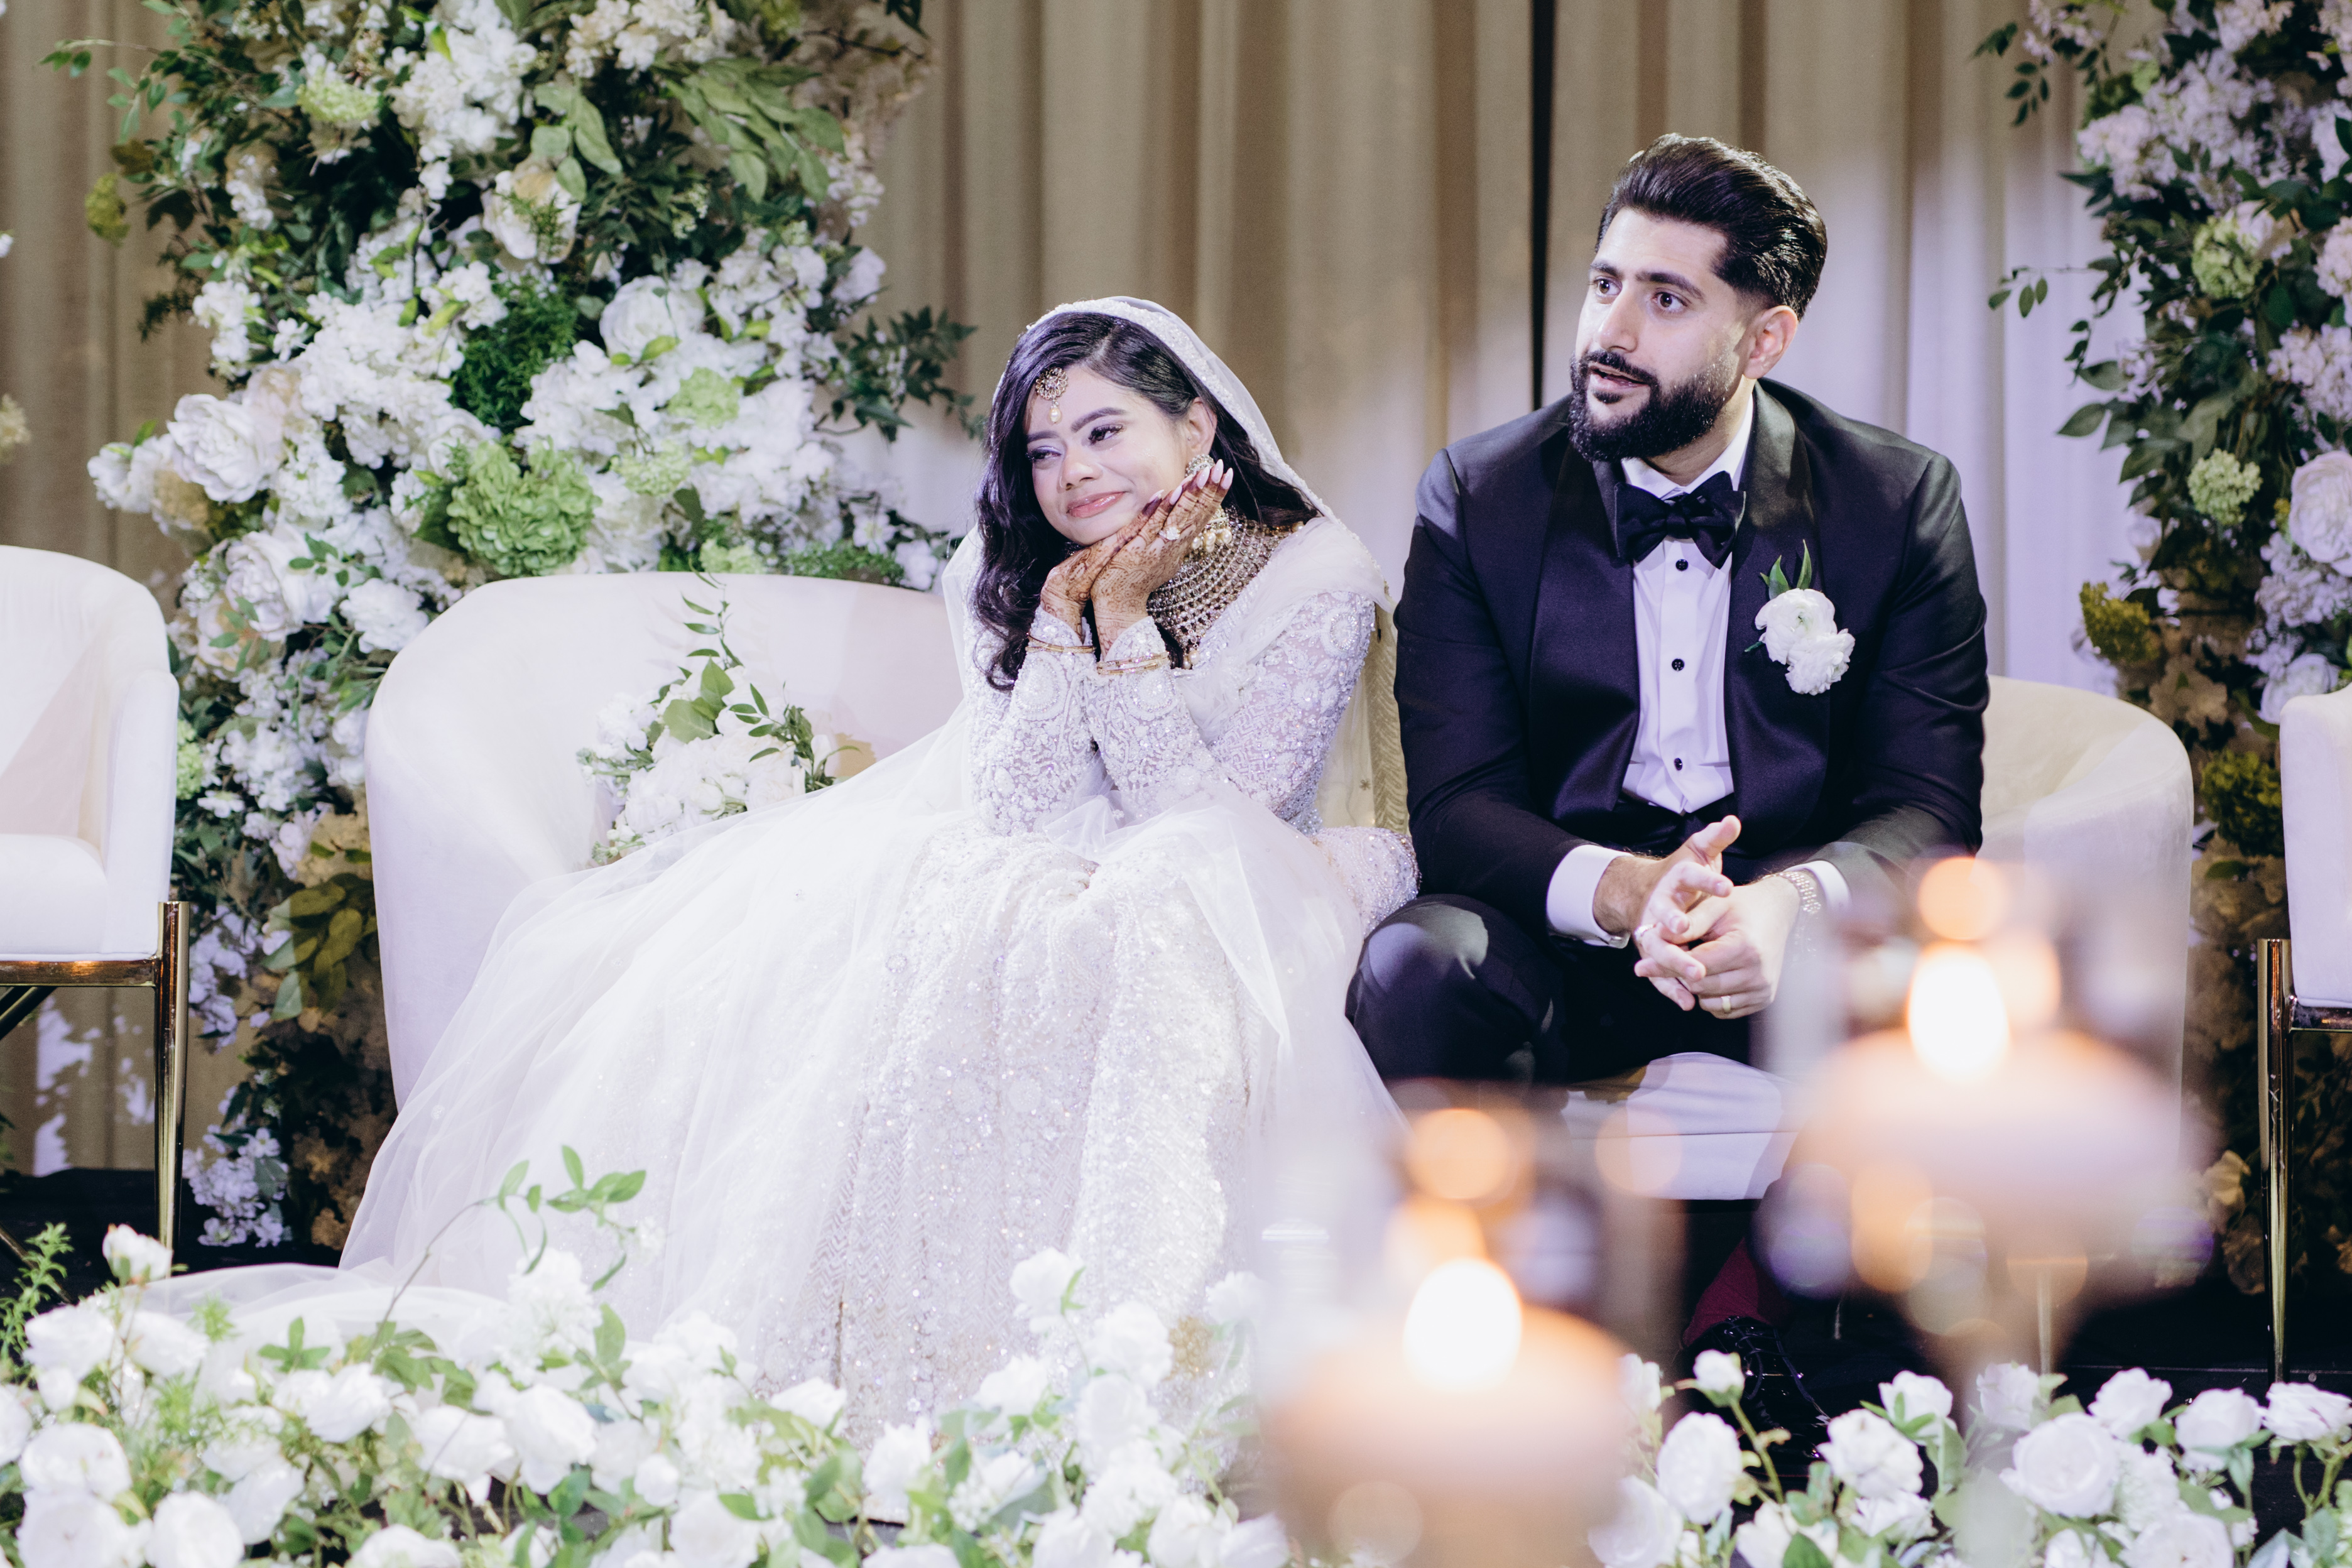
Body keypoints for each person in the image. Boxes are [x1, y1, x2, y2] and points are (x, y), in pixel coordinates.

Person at [183, 299, 1415, 1438]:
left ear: (1196, 423)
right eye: (1045, 452)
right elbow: (1019, 801)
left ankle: (1134, 1366)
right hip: (1067, 854)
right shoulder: (1044, 570)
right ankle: (921, 1374)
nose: (1074, 473)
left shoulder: (1314, 577)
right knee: (949, 912)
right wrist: (1072, 618)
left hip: (1256, 876)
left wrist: (1128, 623)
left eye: (1106, 432)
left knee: (1117, 913)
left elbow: (1214, 831)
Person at [1345, 136, 1988, 1425]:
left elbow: (1930, 809)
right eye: (1605, 285)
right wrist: (1630, 893)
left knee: (1953, 983)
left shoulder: (1895, 500)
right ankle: (1503, 1348)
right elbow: (1459, 806)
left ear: (1766, 338)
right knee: (1415, 968)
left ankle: (1764, 1339)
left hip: (1785, 945)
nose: (1611, 332)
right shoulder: (1481, 496)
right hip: (1563, 936)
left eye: (1667, 298)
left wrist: (1785, 909)